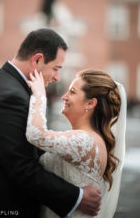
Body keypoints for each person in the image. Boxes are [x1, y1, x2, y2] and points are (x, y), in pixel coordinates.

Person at [0, 28, 101, 218]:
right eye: (56, 68)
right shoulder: (11, 97)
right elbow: (21, 168)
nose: (57, 78)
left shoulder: (3, 82)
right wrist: (77, 196)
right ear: (37, 60)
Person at [26, 68, 127, 218]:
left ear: (91, 103)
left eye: (72, 92)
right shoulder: (90, 139)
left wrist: (39, 95)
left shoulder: (85, 141)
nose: (64, 97)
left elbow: (36, 135)